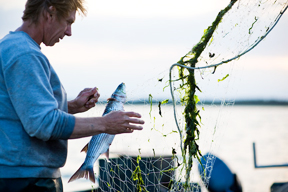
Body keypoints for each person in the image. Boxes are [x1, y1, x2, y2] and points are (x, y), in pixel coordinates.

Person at [0, 0, 145, 191]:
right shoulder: (25, 54)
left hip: (20, 177)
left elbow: (25, 110)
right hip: (26, 181)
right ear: (49, 13)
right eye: (68, 22)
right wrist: (105, 124)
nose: (69, 32)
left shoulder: (12, 46)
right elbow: (43, 124)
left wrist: (73, 106)